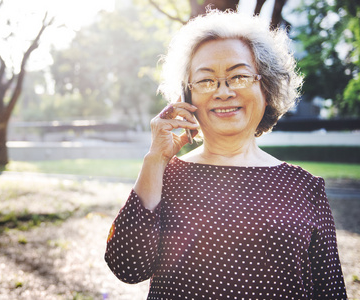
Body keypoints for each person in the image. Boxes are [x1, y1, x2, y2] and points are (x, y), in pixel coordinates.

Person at [105, 9, 347, 299]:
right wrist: (155, 159)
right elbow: (126, 267)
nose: (223, 91)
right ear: (187, 97)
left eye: (239, 76)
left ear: (266, 88)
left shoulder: (305, 188)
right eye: (206, 80)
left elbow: (331, 291)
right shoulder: (163, 178)